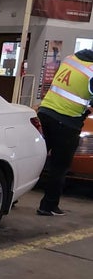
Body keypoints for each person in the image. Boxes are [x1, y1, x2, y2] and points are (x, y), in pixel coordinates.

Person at [35, 48, 93, 216]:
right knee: (59, 167)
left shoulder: (72, 58)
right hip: (66, 122)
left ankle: (11, 198)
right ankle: (48, 206)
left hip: (44, 113)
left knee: (34, 159)